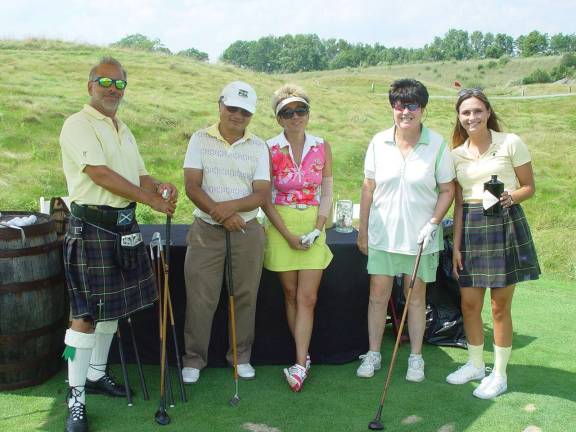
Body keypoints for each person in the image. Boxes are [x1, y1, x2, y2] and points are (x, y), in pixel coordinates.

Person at [60, 57, 177, 432]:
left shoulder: (122, 128)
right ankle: (75, 395)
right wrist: (152, 201)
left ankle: (96, 374)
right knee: (85, 314)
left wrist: (158, 186)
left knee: (111, 310)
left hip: (123, 228)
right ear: (89, 85)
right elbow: (100, 174)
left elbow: (137, 174)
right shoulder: (77, 124)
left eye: (119, 84)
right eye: (105, 82)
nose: (112, 89)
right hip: (91, 226)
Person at [356, 79, 455, 382]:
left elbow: (448, 189)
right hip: (383, 235)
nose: (405, 111)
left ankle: (415, 358)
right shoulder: (379, 141)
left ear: (423, 109)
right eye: (399, 105)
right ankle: (373, 353)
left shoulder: (436, 144)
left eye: (412, 105)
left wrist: (434, 223)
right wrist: (363, 231)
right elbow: (368, 187)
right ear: (392, 108)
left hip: (420, 238)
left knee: (415, 298)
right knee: (377, 296)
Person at [446, 88, 540, 399]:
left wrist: (510, 196)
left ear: (487, 112)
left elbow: (529, 186)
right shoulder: (455, 154)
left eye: (477, 111)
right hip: (471, 226)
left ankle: (499, 374)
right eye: (466, 113)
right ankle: (475, 365)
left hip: (503, 222)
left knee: (500, 307)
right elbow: (458, 205)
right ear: (459, 118)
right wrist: (456, 246)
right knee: (469, 304)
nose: (471, 117)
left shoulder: (510, 142)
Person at [181, 81, 270, 384]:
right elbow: (192, 185)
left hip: (246, 230)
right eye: (232, 108)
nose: (237, 115)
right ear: (220, 105)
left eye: (244, 111)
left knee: (245, 295)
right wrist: (219, 214)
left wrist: (227, 211)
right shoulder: (199, 139)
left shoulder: (259, 147)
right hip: (206, 230)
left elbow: (261, 194)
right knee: (200, 297)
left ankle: (240, 356)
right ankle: (194, 359)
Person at [263, 84, 333, 392]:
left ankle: (299, 362)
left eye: (300, 110)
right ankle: (302, 359)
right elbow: (265, 197)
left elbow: (327, 190)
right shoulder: (269, 148)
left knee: (308, 298)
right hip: (281, 225)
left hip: (313, 224)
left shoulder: (322, 145)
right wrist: (287, 235)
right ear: (278, 118)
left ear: (308, 113)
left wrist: (318, 227)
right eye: (287, 112)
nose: (295, 117)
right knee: (290, 295)